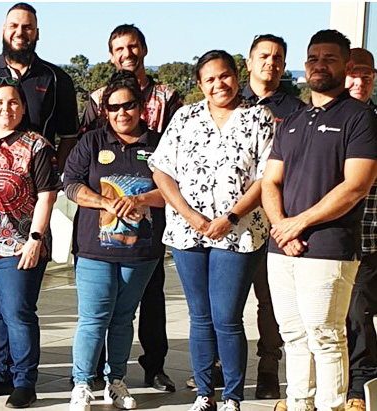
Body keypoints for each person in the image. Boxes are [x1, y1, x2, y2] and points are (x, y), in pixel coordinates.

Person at [0, 2, 78, 384]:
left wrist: (48, 177)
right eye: (14, 25)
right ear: (3, 29)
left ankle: (22, 379)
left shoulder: (55, 78)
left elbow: (69, 136)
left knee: (16, 309)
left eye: (27, 26)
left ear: (36, 32)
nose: (20, 32)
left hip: (25, 222)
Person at [150, 50, 275, 411]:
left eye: (225, 76)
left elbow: (266, 177)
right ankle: (204, 393)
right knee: (200, 317)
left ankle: (232, 396)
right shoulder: (185, 117)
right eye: (210, 79)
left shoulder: (259, 118)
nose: (219, 84)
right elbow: (161, 170)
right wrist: (189, 215)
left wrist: (230, 218)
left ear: (237, 76)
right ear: (200, 84)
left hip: (239, 232)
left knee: (227, 318)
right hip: (188, 232)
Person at [262, 29, 377, 411]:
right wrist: (282, 226)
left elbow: (356, 185)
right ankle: (299, 403)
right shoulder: (292, 120)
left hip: (328, 247)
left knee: (326, 337)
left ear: (345, 65)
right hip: (282, 248)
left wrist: (298, 224)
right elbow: (270, 182)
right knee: (293, 336)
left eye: (329, 58)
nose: (319, 65)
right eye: (313, 58)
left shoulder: (359, 117)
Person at [78, 24, 181, 393]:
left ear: (144, 49)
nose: (127, 53)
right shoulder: (97, 98)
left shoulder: (167, 96)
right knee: (100, 306)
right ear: (111, 56)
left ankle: (154, 367)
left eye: (133, 46)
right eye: (119, 48)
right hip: (104, 222)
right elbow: (86, 149)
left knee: (151, 297)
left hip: (150, 215)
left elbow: (177, 148)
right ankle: (93, 372)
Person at [64, 71, 165, 411]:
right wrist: (104, 202)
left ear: (141, 106)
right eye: (114, 107)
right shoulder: (92, 142)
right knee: (93, 318)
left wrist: (140, 200)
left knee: (123, 319)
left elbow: (173, 191)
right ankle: (82, 383)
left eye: (129, 105)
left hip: (141, 250)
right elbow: (71, 184)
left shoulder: (159, 143)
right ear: (105, 110)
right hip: (94, 249)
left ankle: (116, 381)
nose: (122, 113)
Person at [0, 77, 59, 409]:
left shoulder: (36, 145)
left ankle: (24, 381)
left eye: (14, 102)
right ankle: (0, 372)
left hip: (19, 247)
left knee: (17, 312)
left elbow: (47, 195)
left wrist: (35, 239)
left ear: (24, 108)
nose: (6, 108)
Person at [237, 33, 306, 400]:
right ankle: (218, 365)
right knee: (226, 301)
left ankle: (268, 368)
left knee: (270, 301)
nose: (271, 62)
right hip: (232, 220)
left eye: (278, 57)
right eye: (263, 56)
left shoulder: (296, 110)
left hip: (275, 218)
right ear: (249, 62)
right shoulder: (229, 101)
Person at [345, 47, 377, 411]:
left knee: (359, 315)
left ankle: (360, 387)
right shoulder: (324, 119)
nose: (360, 81)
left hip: (369, 236)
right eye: (353, 74)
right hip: (328, 238)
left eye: (366, 75)